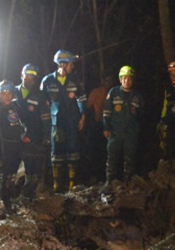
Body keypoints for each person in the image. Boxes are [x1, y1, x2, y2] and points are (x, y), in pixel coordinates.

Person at [40, 49, 86, 193]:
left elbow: (82, 98)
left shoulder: (75, 80)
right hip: (56, 122)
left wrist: (83, 115)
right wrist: (46, 121)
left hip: (72, 120)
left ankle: (72, 184)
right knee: (56, 152)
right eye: (70, 63)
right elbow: (43, 101)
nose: (73, 66)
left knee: (73, 150)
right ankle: (56, 185)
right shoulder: (47, 80)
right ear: (62, 64)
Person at [0, 80, 28, 212]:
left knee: (14, 175)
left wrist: (24, 136)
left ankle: (10, 197)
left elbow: (22, 124)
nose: (6, 96)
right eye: (3, 93)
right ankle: (4, 201)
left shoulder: (16, 107)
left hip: (17, 146)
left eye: (9, 93)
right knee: (6, 175)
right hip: (4, 148)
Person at [14, 63, 51, 200]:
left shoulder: (39, 96)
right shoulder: (12, 92)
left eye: (32, 79)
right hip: (14, 138)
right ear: (22, 76)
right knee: (12, 169)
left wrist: (47, 136)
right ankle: (9, 195)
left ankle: (28, 195)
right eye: (27, 77)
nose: (30, 81)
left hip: (33, 137)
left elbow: (46, 118)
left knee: (32, 170)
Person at [103, 66, 143, 187]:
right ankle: (109, 181)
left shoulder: (137, 96)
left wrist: (138, 130)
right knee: (112, 156)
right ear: (120, 79)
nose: (127, 81)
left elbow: (141, 115)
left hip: (131, 132)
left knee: (130, 157)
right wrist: (106, 127)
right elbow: (106, 112)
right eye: (124, 78)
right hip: (115, 131)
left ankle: (127, 182)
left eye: (129, 78)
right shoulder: (113, 92)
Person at [85, 73, 115, 184]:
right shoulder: (96, 92)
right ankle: (94, 175)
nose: (108, 83)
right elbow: (87, 107)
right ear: (102, 80)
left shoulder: (114, 92)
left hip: (110, 125)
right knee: (95, 151)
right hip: (97, 124)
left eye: (110, 80)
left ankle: (105, 176)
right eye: (106, 80)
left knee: (106, 151)